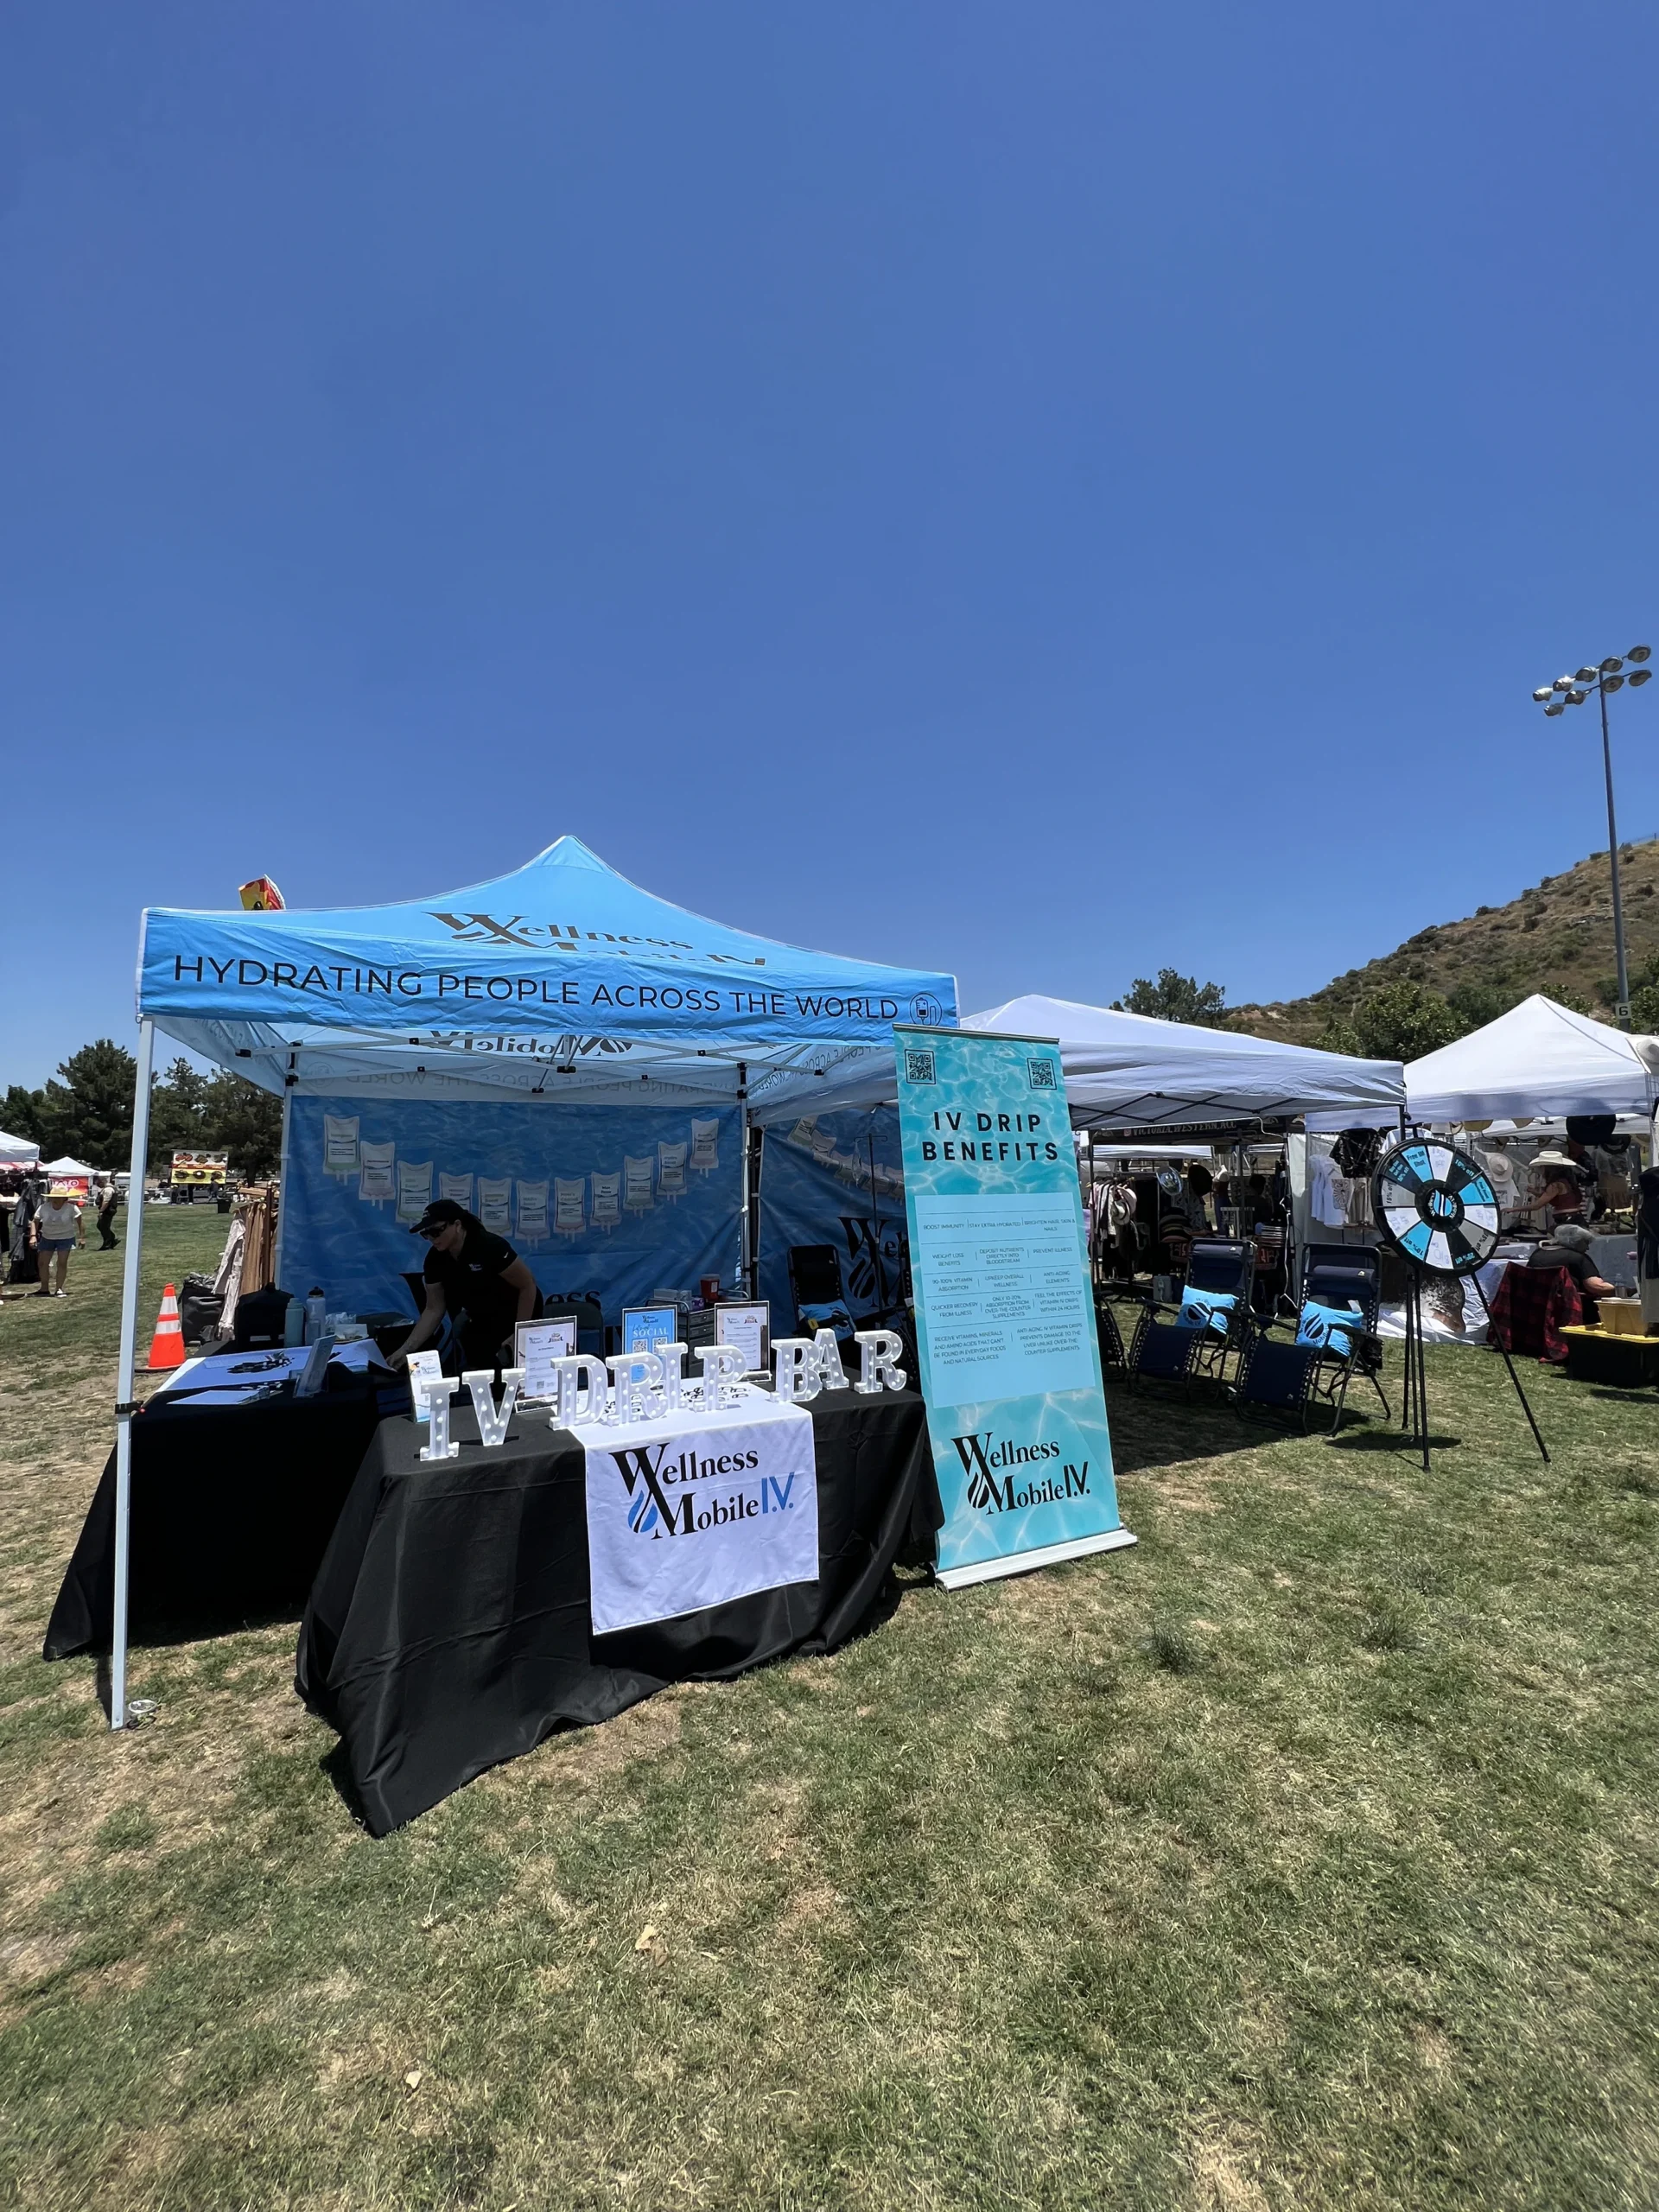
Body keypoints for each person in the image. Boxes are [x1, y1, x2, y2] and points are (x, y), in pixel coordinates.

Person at [390, 1199, 542, 1376]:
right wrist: (406, 1349)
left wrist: (520, 1332)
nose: (432, 1239)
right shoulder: (435, 1259)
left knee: (520, 1375)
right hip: (481, 1317)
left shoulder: (489, 1246)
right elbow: (433, 1309)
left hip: (519, 1311)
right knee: (482, 1373)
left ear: (457, 1225)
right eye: (426, 1234)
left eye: (436, 1231)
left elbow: (527, 1285)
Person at [1527, 1221, 1617, 1320]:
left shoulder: (1537, 1254)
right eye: (1585, 1243)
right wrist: (1619, 1290)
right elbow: (1597, 1287)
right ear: (1576, 1241)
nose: (1587, 1248)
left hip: (1537, 1306)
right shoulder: (1577, 1258)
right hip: (1569, 1309)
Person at [30, 1181, 85, 1298]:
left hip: (65, 1238)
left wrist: (82, 1237)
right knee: (42, 1263)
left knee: (61, 1263)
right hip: (47, 1237)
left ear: (64, 1199)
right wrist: (33, 1236)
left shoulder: (71, 1208)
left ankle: (59, 1289)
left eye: (58, 1198)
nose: (55, 1200)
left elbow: (80, 1222)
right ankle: (44, 1288)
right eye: (53, 1197)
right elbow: (35, 1221)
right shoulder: (43, 1207)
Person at [96, 1179, 120, 1250]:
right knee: (101, 1226)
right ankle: (112, 1240)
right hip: (108, 1210)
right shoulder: (110, 1188)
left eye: (98, 1184)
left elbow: (106, 1201)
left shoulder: (108, 1189)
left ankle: (108, 1244)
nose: (98, 1186)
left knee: (103, 1226)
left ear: (102, 1182)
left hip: (107, 1210)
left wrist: (101, 1211)